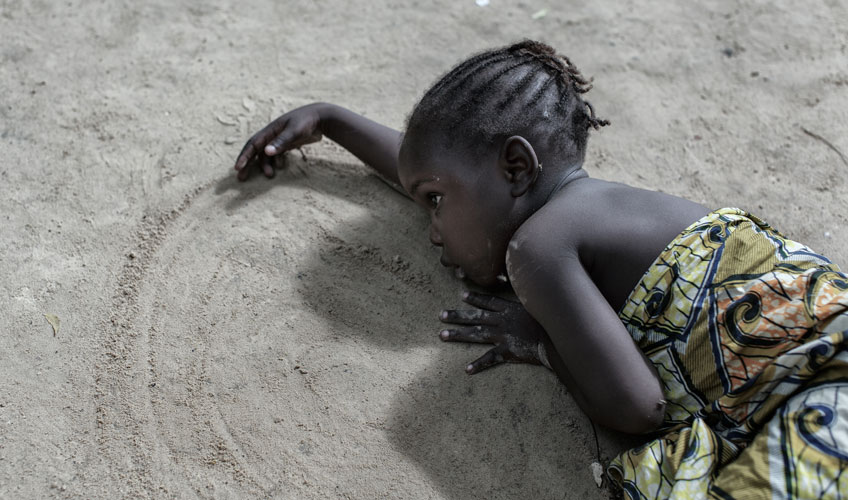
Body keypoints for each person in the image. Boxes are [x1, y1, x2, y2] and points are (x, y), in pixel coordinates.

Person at [232, 40, 848, 499]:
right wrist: (332, 120)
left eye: (436, 204)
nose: (432, 229)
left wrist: (544, 341)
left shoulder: (539, 248)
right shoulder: (595, 209)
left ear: (518, 170)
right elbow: (444, 167)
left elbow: (638, 409)